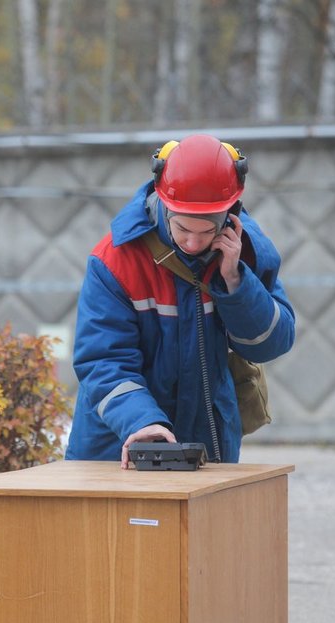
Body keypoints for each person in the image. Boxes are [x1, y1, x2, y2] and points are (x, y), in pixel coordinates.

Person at [65, 134, 295, 467]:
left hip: (207, 446)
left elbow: (272, 344)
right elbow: (103, 361)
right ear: (164, 204)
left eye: (206, 232)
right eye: (182, 228)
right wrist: (142, 422)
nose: (192, 242)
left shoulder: (248, 252)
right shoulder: (115, 260)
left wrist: (235, 282)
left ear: (230, 213)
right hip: (119, 446)